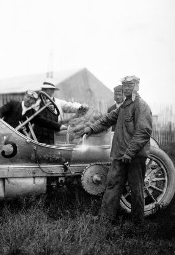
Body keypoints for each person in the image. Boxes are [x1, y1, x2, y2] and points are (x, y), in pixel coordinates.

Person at [84, 75, 152, 224]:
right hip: (119, 155)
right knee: (112, 184)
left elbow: (143, 132)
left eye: (130, 85)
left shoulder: (141, 106)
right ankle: (105, 219)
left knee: (136, 188)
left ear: (136, 87)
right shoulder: (124, 106)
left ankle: (137, 223)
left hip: (134, 156)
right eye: (124, 85)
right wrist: (91, 128)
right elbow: (108, 119)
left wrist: (130, 152)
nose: (126, 88)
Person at [34, 78, 88, 144]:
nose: (44, 91)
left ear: (52, 91)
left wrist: (80, 106)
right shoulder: (36, 103)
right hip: (39, 132)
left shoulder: (58, 102)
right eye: (43, 89)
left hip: (55, 131)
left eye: (47, 89)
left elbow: (70, 106)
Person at [0, 90, 67, 134]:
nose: (29, 100)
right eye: (28, 97)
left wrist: (60, 126)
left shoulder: (33, 114)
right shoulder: (13, 104)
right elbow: (0, 111)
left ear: (34, 102)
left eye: (32, 99)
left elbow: (46, 122)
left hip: (19, 141)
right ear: (24, 96)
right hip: (4, 134)